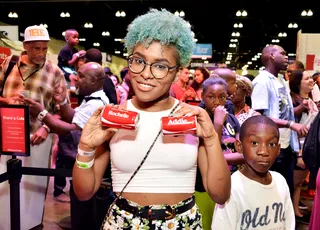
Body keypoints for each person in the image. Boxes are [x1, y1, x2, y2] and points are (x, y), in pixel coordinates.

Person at [72, 8, 231, 229]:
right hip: (122, 222)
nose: (146, 73)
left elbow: (220, 194)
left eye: (160, 66)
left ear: (177, 73)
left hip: (181, 223)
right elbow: (84, 192)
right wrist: (86, 148)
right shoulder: (114, 116)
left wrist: (212, 138)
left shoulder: (192, 118)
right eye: (138, 61)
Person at [25, 62, 111, 230]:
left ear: (94, 81)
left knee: (84, 216)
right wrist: (63, 101)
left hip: (88, 168)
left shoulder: (96, 104)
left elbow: (70, 131)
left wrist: (41, 113)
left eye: (81, 76)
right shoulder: (92, 99)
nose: (76, 79)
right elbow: (75, 118)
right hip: (82, 166)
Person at [0, 25, 67, 230]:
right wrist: (5, 101)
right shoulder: (8, 64)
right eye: (36, 48)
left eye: (45, 48)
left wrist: (45, 129)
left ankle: (33, 226)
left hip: (38, 139)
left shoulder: (55, 72)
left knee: (34, 190)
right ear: (25, 46)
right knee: (4, 187)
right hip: (7, 135)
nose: (41, 53)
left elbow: (61, 111)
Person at [211, 115, 295, 230]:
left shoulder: (280, 181)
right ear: (239, 146)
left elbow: (289, 223)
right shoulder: (231, 188)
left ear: (278, 149)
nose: (263, 151)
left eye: (271, 144)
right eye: (254, 143)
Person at [251, 45, 309, 196]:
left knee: (284, 191)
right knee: (270, 191)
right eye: (282, 53)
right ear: (271, 55)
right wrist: (291, 124)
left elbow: (285, 114)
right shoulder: (262, 81)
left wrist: (301, 110)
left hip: (286, 145)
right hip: (271, 146)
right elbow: (259, 117)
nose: (286, 57)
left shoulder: (282, 81)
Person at [196, 77, 242, 230]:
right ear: (202, 96)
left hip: (229, 182)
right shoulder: (198, 120)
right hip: (204, 186)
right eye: (211, 97)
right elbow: (208, 153)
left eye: (222, 97)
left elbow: (241, 151)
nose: (216, 102)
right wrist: (217, 124)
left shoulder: (232, 119)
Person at [289, 69, 318, 224]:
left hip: (308, 147)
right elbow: (292, 128)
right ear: (298, 82)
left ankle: (296, 210)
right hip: (297, 148)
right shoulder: (294, 102)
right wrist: (299, 153)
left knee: (299, 183)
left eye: (311, 78)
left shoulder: (312, 99)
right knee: (294, 183)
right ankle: (291, 212)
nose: (311, 80)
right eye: (307, 78)